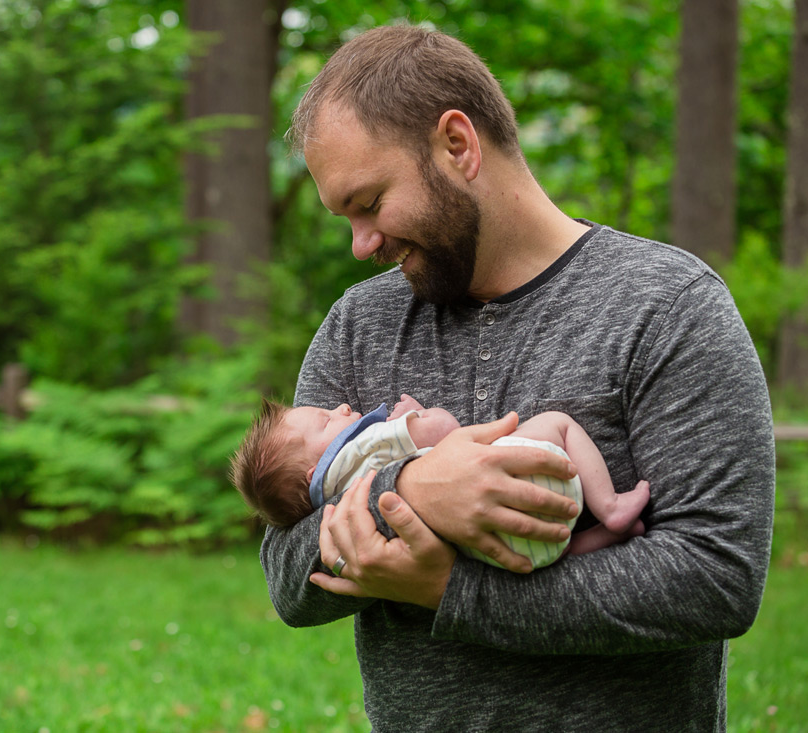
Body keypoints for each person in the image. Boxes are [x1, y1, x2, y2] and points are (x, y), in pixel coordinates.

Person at [260, 24, 775, 732]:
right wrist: (408, 490)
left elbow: (716, 577)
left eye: (370, 202)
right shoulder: (360, 325)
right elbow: (288, 574)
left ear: (457, 145)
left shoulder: (668, 306)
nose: (362, 244)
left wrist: (449, 589)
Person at [232, 393, 648, 569]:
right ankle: (609, 508)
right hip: (532, 473)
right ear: (314, 470)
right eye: (326, 419)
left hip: (509, 549)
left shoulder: (340, 508)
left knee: (547, 556)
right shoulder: (364, 448)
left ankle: (602, 540)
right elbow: (443, 430)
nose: (340, 406)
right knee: (557, 423)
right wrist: (415, 413)